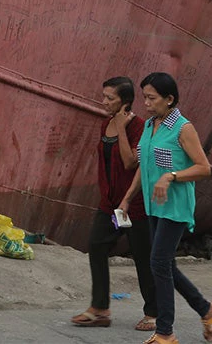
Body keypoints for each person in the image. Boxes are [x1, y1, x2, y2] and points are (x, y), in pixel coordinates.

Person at [119, 72, 212, 344]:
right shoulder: (149, 126)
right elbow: (144, 166)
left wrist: (171, 176)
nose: (146, 103)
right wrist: (128, 198)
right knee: (164, 265)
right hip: (154, 206)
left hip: (175, 206)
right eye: (145, 98)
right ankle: (207, 309)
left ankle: (165, 332)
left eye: (152, 98)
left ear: (169, 99)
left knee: (158, 263)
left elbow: (204, 168)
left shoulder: (183, 128)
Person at [71, 77, 157, 331]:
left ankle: (153, 313)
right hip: (110, 203)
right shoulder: (104, 124)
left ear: (125, 102)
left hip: (136, 203)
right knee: (96, 246)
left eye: (110, 98)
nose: (104, 102)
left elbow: (131, 162)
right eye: (104, 97)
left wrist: (121, 127)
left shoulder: (141, 127)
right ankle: (100, 309)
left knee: (143, 257)